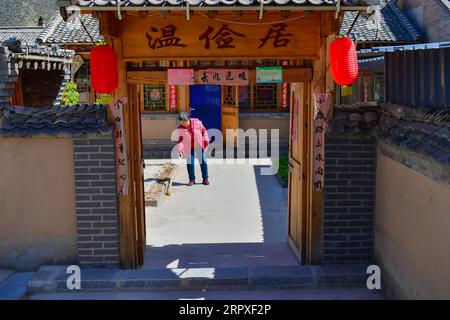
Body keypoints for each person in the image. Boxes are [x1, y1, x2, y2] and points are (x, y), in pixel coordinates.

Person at [177, 112, 209, 186]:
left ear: (188, 119)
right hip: (188, 146)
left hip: (199, 144)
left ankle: (205, 179)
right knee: (190, 162)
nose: (183, 124)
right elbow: (181, 140)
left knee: (203, 161)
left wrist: (206, 140)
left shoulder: (196, 122)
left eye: (185, 122)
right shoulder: (180, 128)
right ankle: (191, 179)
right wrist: (180, 150)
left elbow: (204, 131)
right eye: (181, 122)